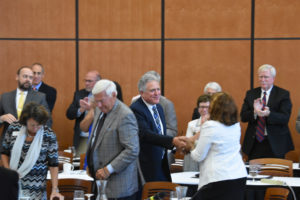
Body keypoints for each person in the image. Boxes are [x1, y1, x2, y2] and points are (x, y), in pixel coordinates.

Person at [86, 79, 139, 199]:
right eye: (96, 101)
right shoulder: (101, 108)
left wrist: (108, 169)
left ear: (114, 95)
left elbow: (132, 150)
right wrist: (91, 163)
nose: (98, 105)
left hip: (118, 187)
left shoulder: (125, 115)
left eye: (101, 101)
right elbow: (96, 137)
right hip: (99, 183)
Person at [130, 72, 186, 183]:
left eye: (158, 89)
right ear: (141, 93)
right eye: (152, 90)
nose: (157, 93)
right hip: (146, 167)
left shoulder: (159, 108)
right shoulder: (136, 109)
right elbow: (146, 134)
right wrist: (172, 141)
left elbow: (161, 133)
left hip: (161, 164)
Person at [190, 92, 247, 200]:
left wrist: (190, 146)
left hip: (217, 178)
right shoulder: (236, 126)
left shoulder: (210, 126)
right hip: (238, 176)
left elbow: (198, 156)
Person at [1, 102, 63, 200]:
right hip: (12, 183)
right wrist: (9, 173)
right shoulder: (14, 127)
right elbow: (4, 153)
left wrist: (55, 189)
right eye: (32, 125)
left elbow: (53, 164)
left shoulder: (49, 135)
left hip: (36, 187)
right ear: (25, 121)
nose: (35, 128)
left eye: (38, 125)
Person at [241, 64, 294, 159]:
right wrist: (255, 112)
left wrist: (269, 114)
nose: (262, 79)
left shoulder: (283, 94)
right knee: (254, 172)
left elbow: (285, 118)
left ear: (273, 78)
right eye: (260, 77)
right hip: (255, 142)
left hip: (276, 142)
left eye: (266, 77)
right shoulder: (251, 94)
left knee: (275, 171)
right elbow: (243, 117)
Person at [0, 66, 51, 145]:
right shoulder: (5, 97)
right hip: (7, 143)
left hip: (30, 142)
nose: (28, 79)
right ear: (17, 77)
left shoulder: (40, 97)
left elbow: (48, 121)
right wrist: (1, 118)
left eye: (30, 77)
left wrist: (33, 123)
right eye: (25, 76)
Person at [66, 70, 101, 156]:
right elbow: (69, 114)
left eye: (89, 81)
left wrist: (93, 109)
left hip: (98, 136)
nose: (86, 83)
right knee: (80, 163)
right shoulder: (79, 94)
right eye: (85, 80)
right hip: (82, 136)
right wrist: (81, 109)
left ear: (98, 82)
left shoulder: (103, 95)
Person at [183, 94, 210, 171]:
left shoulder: (216, 124)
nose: (204, 110)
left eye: (207, 107)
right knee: (189, 154)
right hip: (195, 156)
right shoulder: (192, 124)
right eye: (201, 107)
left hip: (210, 156)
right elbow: (188, 143)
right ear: (198, 108)